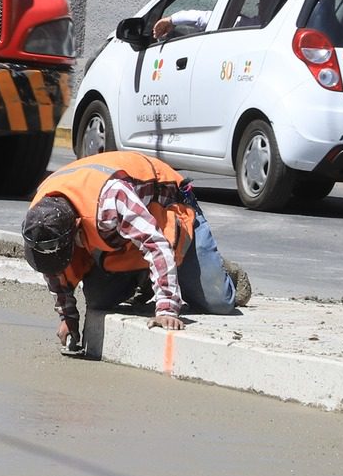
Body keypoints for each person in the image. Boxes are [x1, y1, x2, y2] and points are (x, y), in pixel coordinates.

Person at [20, 150, 241, 356]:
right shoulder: (41, 217)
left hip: (172, 211)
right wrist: (67, 317)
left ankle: (221, 273)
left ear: (77, 226)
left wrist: (166, 308)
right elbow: (54, 268)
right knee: (99, 299)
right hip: (126, 237)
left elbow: (156, 244)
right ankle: (147, 277)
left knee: (218, 302)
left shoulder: (110, 201)